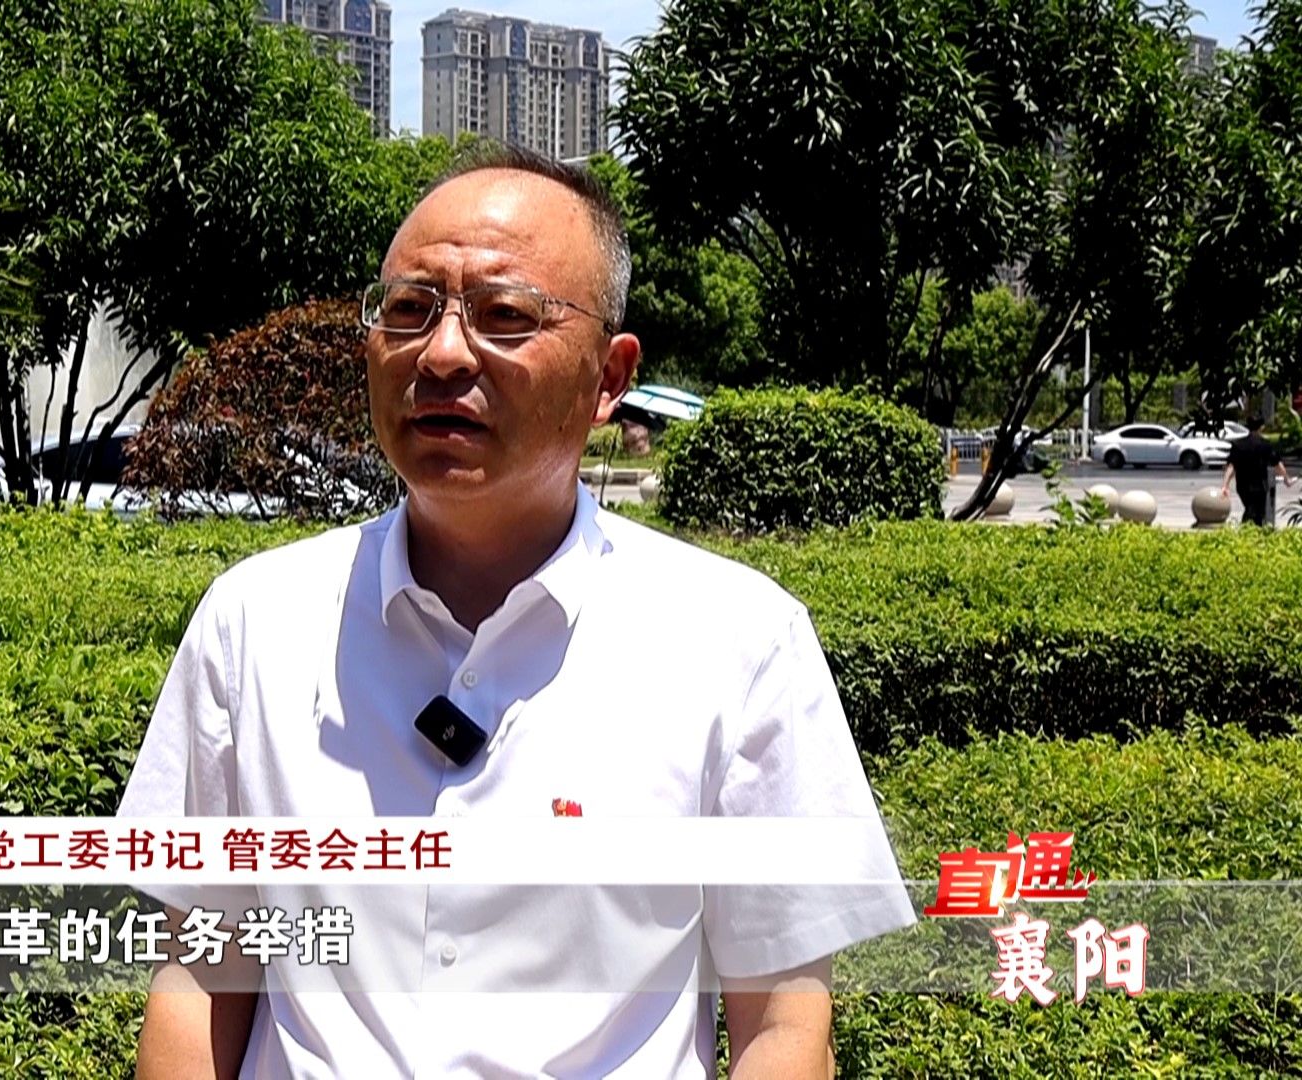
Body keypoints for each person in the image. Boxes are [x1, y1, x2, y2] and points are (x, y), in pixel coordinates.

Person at [117, 144, 914, 1079]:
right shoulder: (254, 622)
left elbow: (784, 1025)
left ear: (608, 377)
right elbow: (202, 977)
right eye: (409, 310)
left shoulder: (739, 641)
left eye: (505, 315)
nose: (442, 353)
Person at [1220, 416, 1293, 526]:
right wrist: (1286, 479)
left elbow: (1231, 466)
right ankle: (1250, 529)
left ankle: (1249, 529)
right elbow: (1277, 464)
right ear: (1261, 427)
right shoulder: (1265, 444)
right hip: (1260, 484)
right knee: (1257, 512)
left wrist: (1225, 485)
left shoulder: (1238, 444)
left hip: (1242, 484)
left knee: (1250, 507)